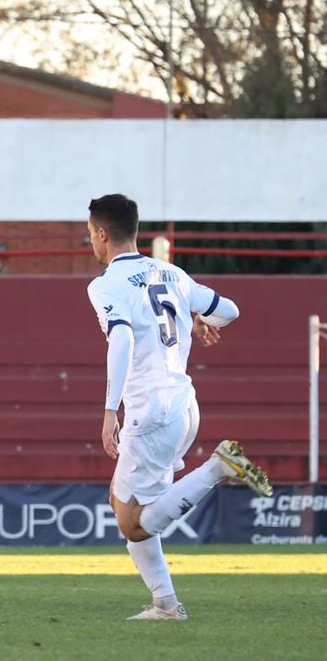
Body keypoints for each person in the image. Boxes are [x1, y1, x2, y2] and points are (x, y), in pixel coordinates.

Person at [84, 193, 272, 621]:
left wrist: (110, 410)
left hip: (151, 410)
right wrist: (204, 320)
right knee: (122, 502)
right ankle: (166, 604)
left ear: (100, 233)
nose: (90, 244)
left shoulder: (105, 285)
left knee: (132, 523)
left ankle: (218, 468)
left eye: (89, 236)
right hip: (184, 404)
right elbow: (229, 310)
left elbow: (123, 339)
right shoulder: (171, 272)